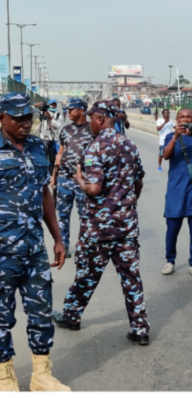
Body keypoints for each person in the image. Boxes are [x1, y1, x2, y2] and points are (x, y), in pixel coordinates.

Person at [52, 99, 149, 345]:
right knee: (131, 278)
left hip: (98, 229)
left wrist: (79, 179)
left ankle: (71, 316)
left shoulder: (96, 147)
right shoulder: (129, 145)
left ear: (99, 119)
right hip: (126, 226)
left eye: (92, 118)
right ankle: (140, 328)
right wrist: (126, 205)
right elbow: (138, 182)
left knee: (86, 274)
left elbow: (93, 189)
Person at [0, 92, 69, 392]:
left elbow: (45, 195)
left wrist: (57, 237)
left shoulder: (38, 148)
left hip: (34, 250)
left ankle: (41, 374)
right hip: (2, 253)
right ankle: (4, 377)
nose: (25, 122)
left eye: (28, 116)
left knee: (41, 313)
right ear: (1, 118)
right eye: (17, 117)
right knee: (1, 317)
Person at [161, 108, 192, 277]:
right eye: (182, 117)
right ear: (177, 120)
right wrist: (175, 137)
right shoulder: (169, 136)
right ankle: (170, 260)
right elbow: (166, 155)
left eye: (188, 116)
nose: (185, 119)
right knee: (172, 228)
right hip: (176, 189)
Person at [52, 99, 91, 259]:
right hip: (64, 179)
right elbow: (60, 153)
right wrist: (54, 177)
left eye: (72, 109)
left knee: (85, 216)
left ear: (82, 110)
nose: (68, 112)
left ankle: (83, 247)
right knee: (62, 216)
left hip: (83, 180)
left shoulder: (92, 130)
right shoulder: (66, 130)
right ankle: (64, 247)